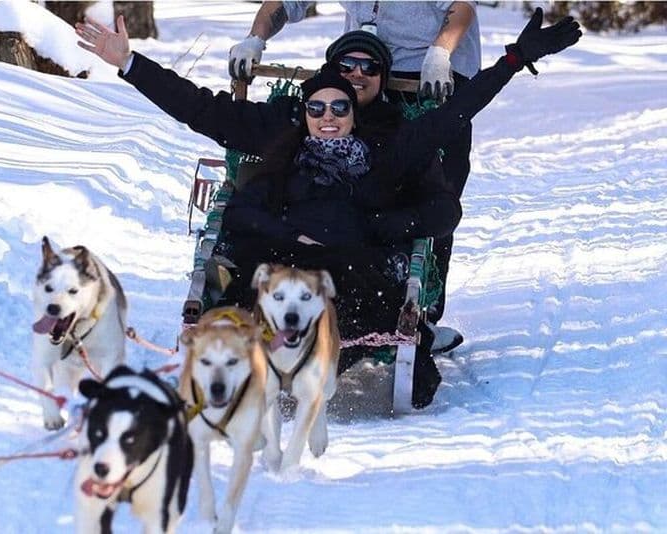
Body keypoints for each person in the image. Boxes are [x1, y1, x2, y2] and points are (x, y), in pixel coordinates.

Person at [75, 11, 581, 406]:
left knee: (342, 283)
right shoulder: (282, 133)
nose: (330, 114)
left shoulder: (388, 150)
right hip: (281, 266)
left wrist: (514, 59)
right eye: (319, 105)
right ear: (307, 105)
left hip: (351, 273)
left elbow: (453, 114)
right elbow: (199, 108)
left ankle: (321, 357)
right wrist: (129, 63)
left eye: (344, 103)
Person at [229, 1, 482, 350]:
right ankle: (346, 294)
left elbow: (460, 8)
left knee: (430, 191)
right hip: (360, 71)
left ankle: (422, 313)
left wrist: (439, 54)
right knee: (344, 183)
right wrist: (255, 39)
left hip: (430, 76)